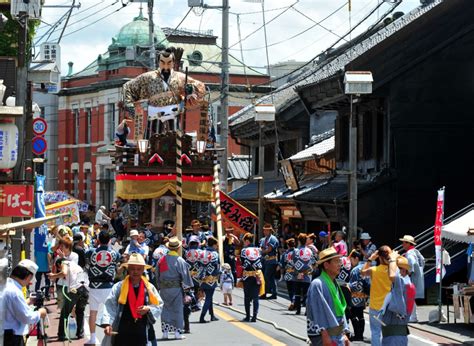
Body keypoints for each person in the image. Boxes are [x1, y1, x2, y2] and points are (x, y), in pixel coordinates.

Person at [123, 47, 206, 135]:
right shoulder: (148, 77)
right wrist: (130, 106)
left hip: (173, 117)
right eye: (162, 62)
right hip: (154, 118)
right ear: (158, 63)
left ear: (173, 63)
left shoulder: (180, 77)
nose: (166, 66)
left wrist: (191, 88)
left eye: (169, 63)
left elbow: (201, 86)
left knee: (175, 144)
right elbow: (127, 86)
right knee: (152, 144)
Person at [99, 253, 163, 346]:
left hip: (142, 329)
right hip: (122, 329)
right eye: (132, 269)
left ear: (143, 270)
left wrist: (148, 309)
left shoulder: (149, 287)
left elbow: (158, 305)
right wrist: (107, 324)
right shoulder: (119, 287)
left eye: (139, 269)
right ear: (128, 269)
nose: (135, 272)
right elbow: (110, 305)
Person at [306, 248, 350, 346]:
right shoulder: (317, 284)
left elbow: (340, 311)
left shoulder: (334, 283)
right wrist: (325, 335)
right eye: (336, 261)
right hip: (324, 335)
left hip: (337, 334)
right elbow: (318, 312)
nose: (340, 264)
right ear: (326, 265)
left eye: (339, 261)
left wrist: (344, 333)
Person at [48, 238, 90, 341]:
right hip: (85, 289)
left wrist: (54, 275)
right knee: (80, 311)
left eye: (62, 246)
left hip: (76, 289)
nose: (60, 248)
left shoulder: (65, 263)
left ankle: (61, 335)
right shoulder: (75, 265)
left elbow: (64, 273)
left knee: (65, 312)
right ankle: (80, 333)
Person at [85, 231, 120, 345]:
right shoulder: (114, 254)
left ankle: (93, 338)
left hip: (94, 286)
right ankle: (111, 336)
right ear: (109, 240)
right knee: (110, 312)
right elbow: (118, 261)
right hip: (108, 286)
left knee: (93, 313)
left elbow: (86, 255)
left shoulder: (91, 252)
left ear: (98, 240)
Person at [156, 237, 194, 340]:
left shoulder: (161, 259)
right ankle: (177, 333)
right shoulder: (180, 260)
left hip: (164, 288)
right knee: (177, 310)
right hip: (176, 288)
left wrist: (159, 286)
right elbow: (185, 277)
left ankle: (165, 333)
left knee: (165, 309)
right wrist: (187, 290)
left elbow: (157, 274)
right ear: (178, 248)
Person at [3, 260, 47, 346]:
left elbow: (9, 307)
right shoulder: (15, 291)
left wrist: (28, 301)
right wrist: (40, 313)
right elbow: (26, 317)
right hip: (11, 337)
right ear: (28, 276)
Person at [381, 253, 416, 346]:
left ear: (403, 271)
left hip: (394, 338)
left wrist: (392, 260)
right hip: (395, 336)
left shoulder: (402, 284)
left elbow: (392, 276)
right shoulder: (405, 284)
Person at [361, 246, 393, 346]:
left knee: (375, 333)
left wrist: (370, 258)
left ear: (379, 257)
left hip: (375, 306)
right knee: (388, 334)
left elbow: (362, 272)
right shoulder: (393, 271)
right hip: (389, 307)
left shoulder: (374, 270)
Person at [399, 235, 425, 322]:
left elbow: (412, 263)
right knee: (411, 296)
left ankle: (413, 316)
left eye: (403, 242)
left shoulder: (410, 253)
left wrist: (408, 272)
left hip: (412, 277)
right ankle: (413, 315)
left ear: (408, 243)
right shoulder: (415, 251)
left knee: (409, 296)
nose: (402, 244)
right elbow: (423, 260)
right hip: (419, 275)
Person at [240, 232, 264, 322]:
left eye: (244, 242)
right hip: (257, 275)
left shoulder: (243, 251)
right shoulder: (259, 250)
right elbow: (261, 261)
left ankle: (247, 316)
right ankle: (254, 316)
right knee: (255, 297)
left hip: (247, 276)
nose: (244, 244)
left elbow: (242, 263)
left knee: (247, 296)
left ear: (247, 241)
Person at [348, 250, 370, 341]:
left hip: (355, 295)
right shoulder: (367, 267)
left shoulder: (355, 270)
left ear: (356, 258)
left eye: (351, 259)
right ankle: (360, 334)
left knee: (352, 314)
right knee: (360, 315)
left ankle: (358, 335)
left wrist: (347, 285)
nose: (351, 262)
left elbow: (354, 284)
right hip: (364, 295)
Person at [292, 233, 316, 315]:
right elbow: (313, 262)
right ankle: (307, 311)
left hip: (297, 274)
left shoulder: (295, 251)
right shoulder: (310, 251)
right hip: (307, 274)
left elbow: (293, 262)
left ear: (298, 241)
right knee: (306, 293)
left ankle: (298, 310)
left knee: (297, 293)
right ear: (306, 241)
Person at [198, 236, 220, 323]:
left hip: (202, 278)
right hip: (211, 278)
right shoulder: (215, 254)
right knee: (209, 298)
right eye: (216, 245)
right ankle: (202, 316)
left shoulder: (202, 253)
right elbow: (217, 267)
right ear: (214, 245)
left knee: (209, 297)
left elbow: (199, 264)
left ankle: (212, 315)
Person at [259, 223, 279, 299]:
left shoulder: (273, 239)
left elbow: (269, 249)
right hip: (264, 260)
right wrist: (263, 250)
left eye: (266, 231)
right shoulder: (263, 239)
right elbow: (262, 248)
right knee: (267, 277)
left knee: (267, 277)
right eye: (264, 230)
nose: (264, 232)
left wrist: (262, 251)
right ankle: (273, 292)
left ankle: (265, 293)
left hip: (271, 261)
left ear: (270, 231)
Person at [280, 238, 296, 311]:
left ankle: (292, 301)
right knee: (296, 289)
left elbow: (282, 265)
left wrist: (282, 275)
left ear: (288, 245)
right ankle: (296, 302)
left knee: (290, 289)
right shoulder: (298, 252)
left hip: (288, 273)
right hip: (297, 273)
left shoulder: (285, 254)